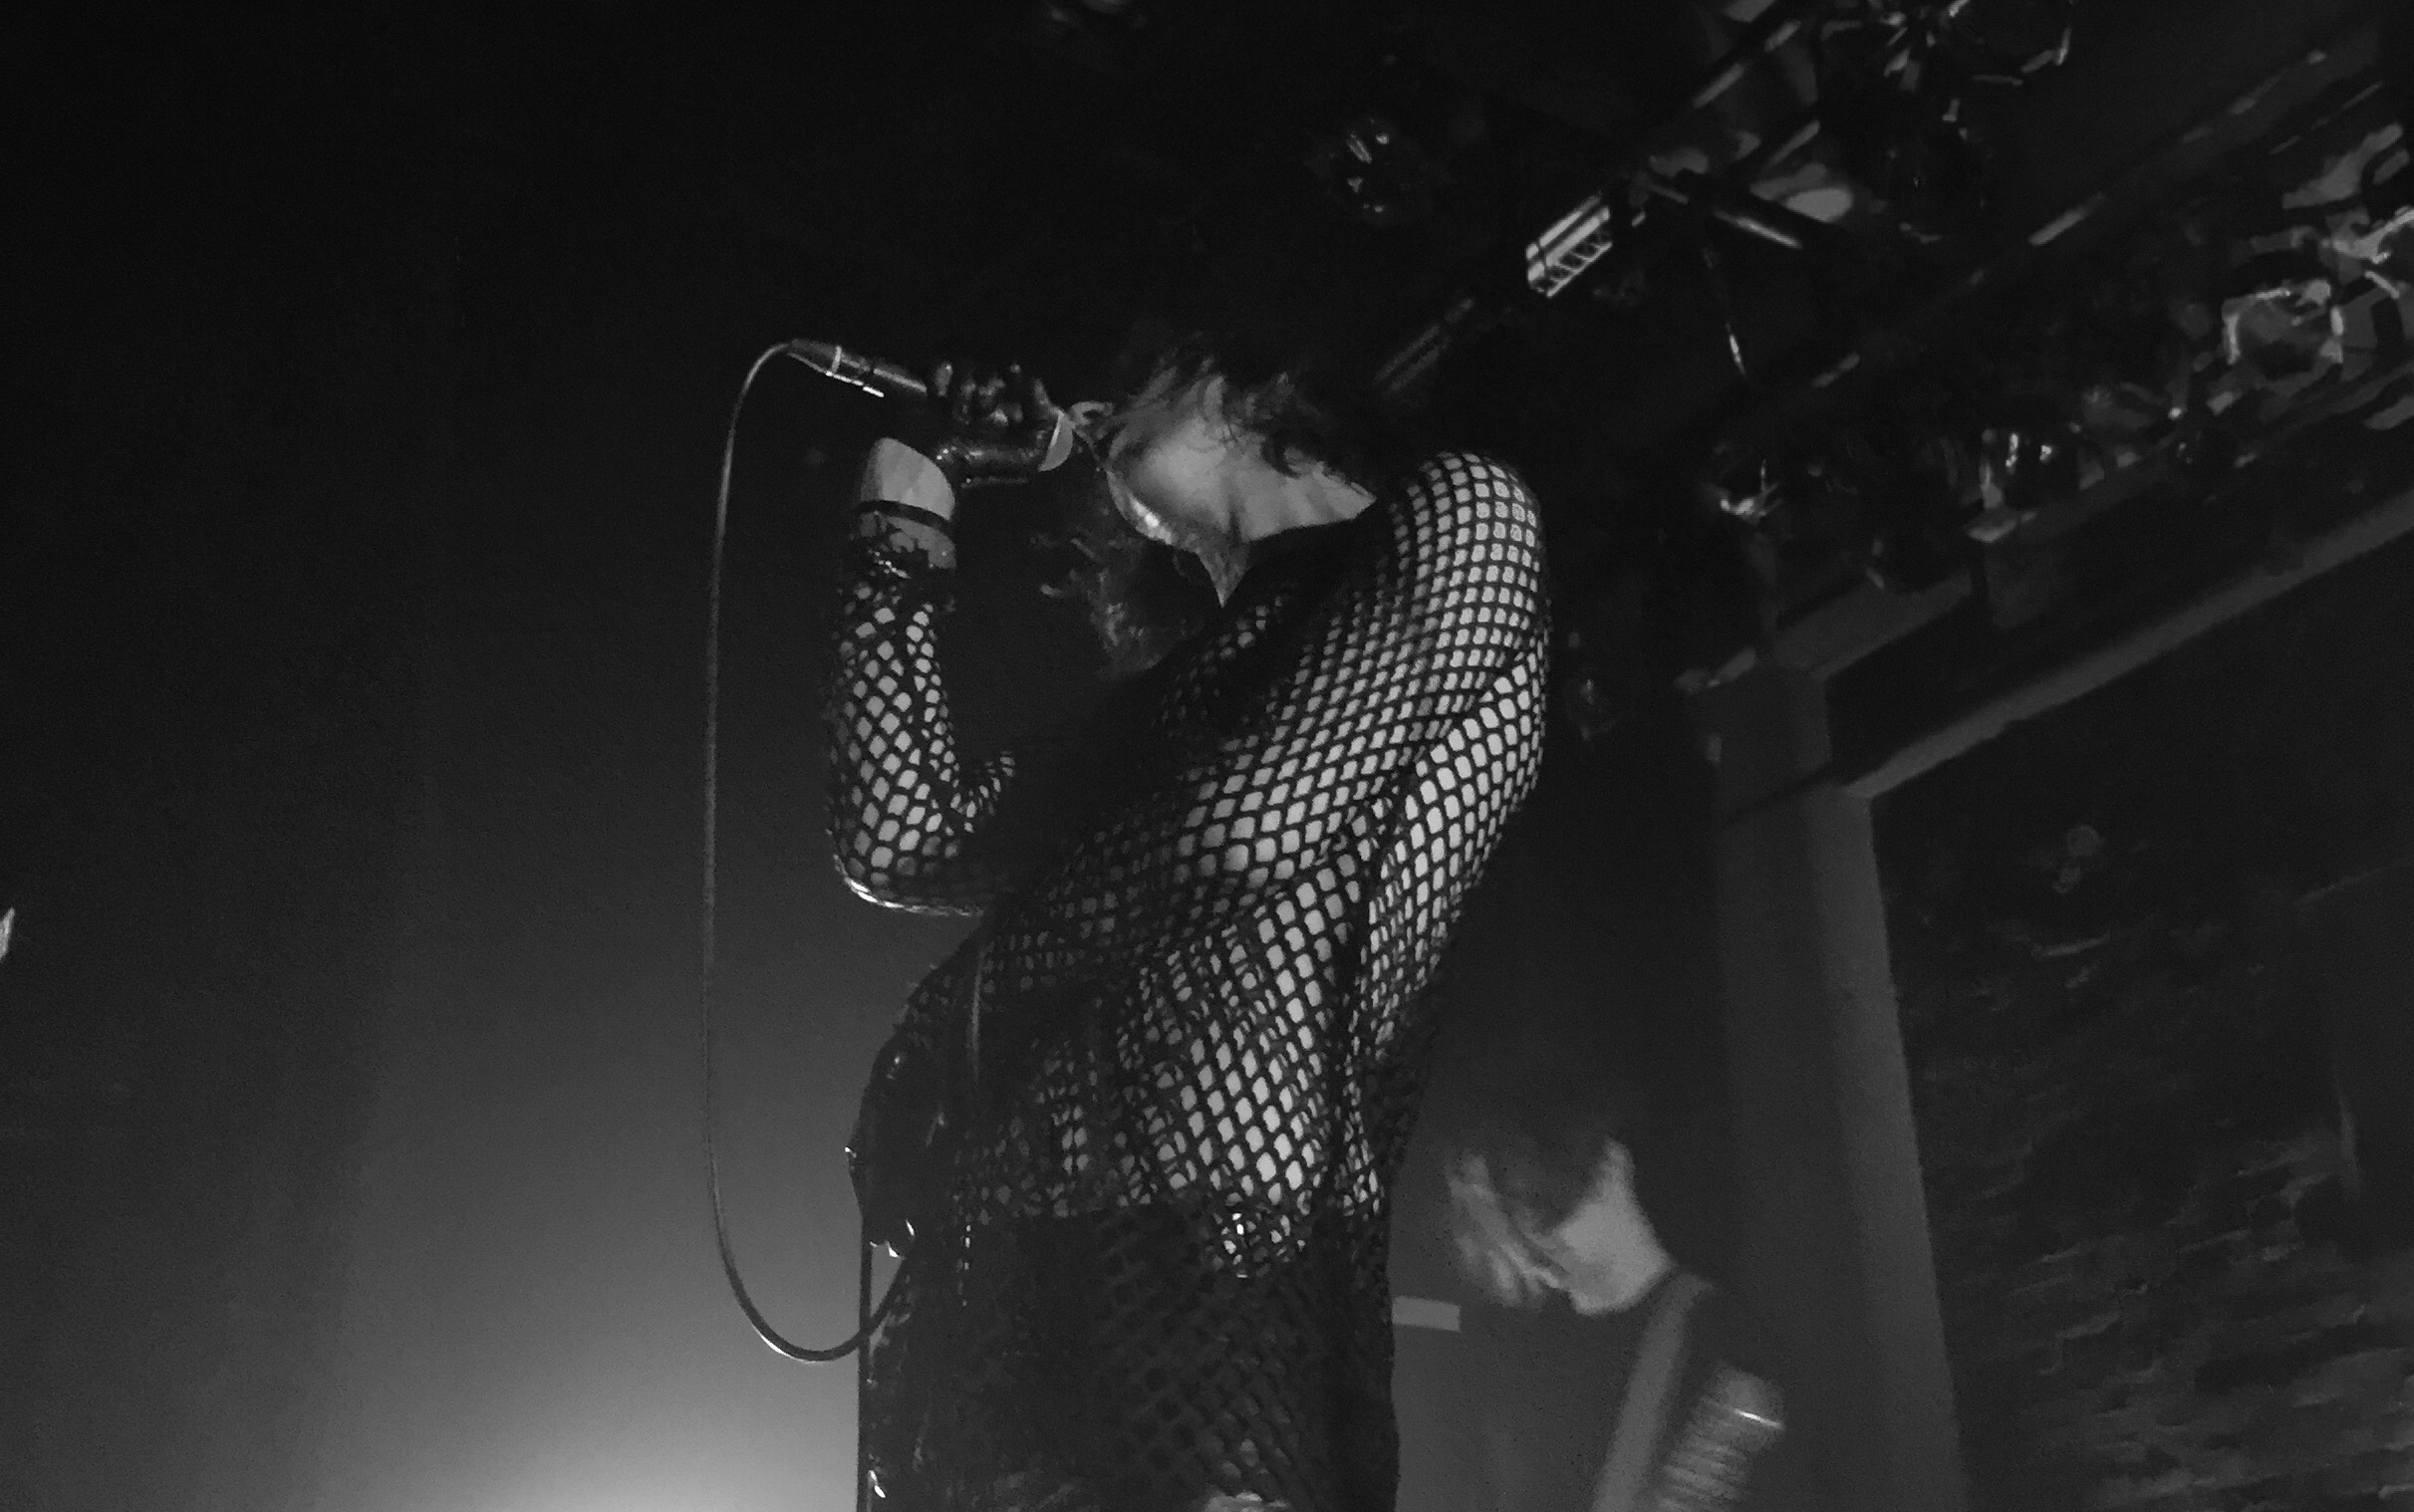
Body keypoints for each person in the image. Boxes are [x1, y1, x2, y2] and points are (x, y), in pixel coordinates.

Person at [829, 321, 1551, 1512]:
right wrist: (905, 500)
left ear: (1254, 378)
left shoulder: (1464, 517)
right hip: (1002, 1287)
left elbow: (1241, 829)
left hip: (1213, 1281)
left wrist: (959, 1006)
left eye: (1133, 370)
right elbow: (896, 838)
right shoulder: (1166, 706)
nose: (1091, 403)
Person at [1443, 1063, 1803, 1512]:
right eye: (1512, 1239)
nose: (1534, 1257)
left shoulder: (1731, 1347)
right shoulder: (1510, 1358)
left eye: (1546, 1217)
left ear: (1613, 1167)